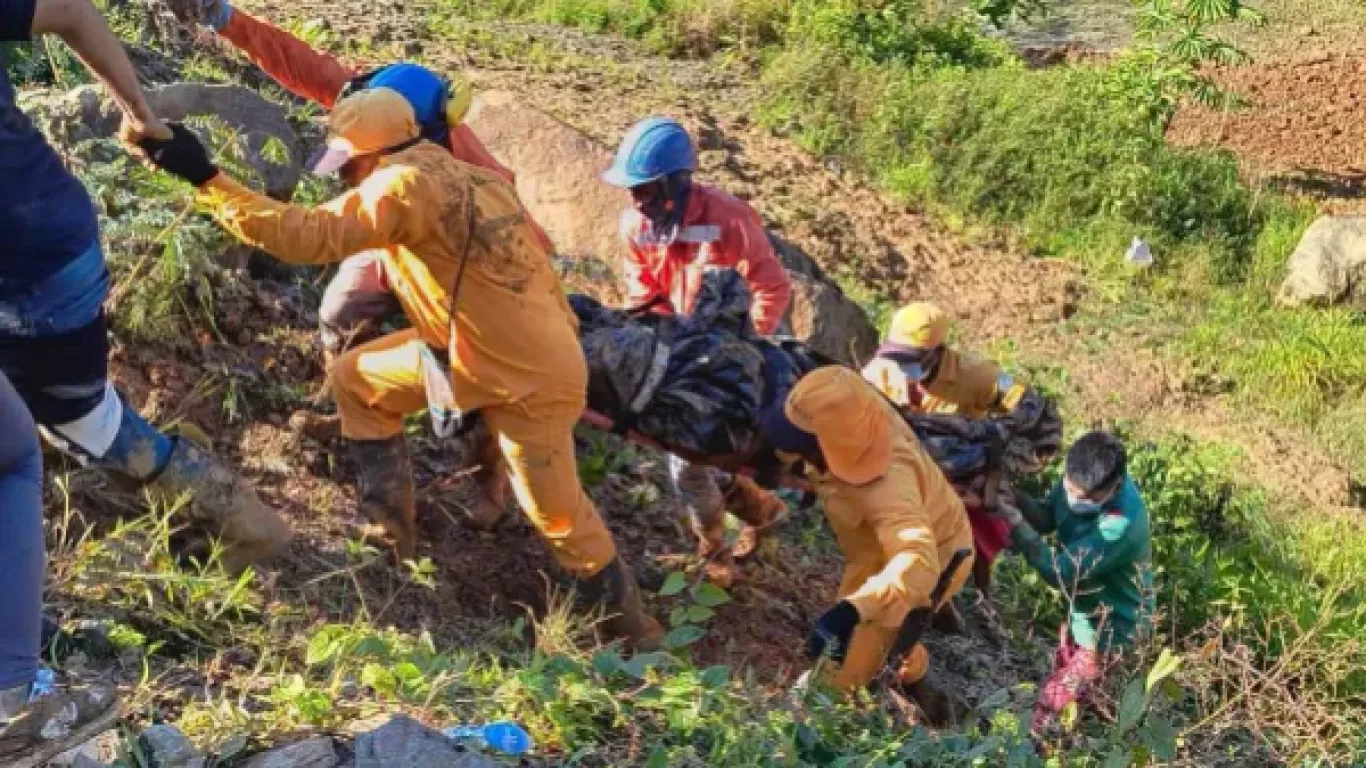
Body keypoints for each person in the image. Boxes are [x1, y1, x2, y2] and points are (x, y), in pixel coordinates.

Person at [138, 88, 665, 647]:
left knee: (557, 516)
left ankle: (636, 639)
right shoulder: (471, 177)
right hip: (482, 352)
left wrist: (208, 180)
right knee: (358, 379)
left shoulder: (402, 183)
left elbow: (307, 236)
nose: (345, 178)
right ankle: (389, 537)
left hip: (529, 378)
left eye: (348, 165)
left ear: (370, 156)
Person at [168, 0, 546, 528]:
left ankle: (489, 486)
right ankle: (353, 406)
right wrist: (221, 17)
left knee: (478, 380)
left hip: (456, 268)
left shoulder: (475, 173)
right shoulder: (375, 108)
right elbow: (299, 61)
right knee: (340, 310)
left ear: (417, 132)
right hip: (385, 234)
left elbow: (528, 247)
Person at [0, 0, 290, 577]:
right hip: (50, 229)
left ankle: (245, 524)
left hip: (31, 270)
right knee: (54, 407)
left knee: (80, 420)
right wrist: (140, 113)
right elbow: (73, 12)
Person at [603, 116, 792, 585]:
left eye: (645, 189)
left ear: (675, 183)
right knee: (695, 450)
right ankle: (761, 508)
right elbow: (642, 294)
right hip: (684, 343)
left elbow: (770, 286)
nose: (636, 199)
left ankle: (714, 554)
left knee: (688, 463)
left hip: (739, 339)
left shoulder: (727, 217)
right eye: (632, 189)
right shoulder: (636, 225)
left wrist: (746, 345)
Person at [759, 367, 974, 724]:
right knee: (875, 636)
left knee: (850, 667)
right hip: (877, 551)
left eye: (801, 445)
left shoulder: (889, 482)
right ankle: (910, 665)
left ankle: (833, 726)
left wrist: (854, 610)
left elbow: (917, 561)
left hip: (930, 558)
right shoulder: (852, 416)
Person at [863, 301, 1061, 601]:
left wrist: (994, 436)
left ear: (935, 351)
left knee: (979, 538)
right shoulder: (881, 371)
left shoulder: (975, 375)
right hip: (901, 467)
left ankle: (981, 597)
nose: (904, 367)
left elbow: (1026, 402)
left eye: (912, 358)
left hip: (959, 475)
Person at [991, 431, 1154, 736]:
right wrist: (1014, 497)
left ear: (1114, 487)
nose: (1074, 501)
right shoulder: (1079, 477)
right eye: (1070, 489)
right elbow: (1047, 518)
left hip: (1113, 629)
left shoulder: (1120, 525)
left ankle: (1041, 747)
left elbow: (1061, 572)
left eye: (1087, 498)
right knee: (1077, 698)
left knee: (1053, 704)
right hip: (1083, 612)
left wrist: (1014, 522)